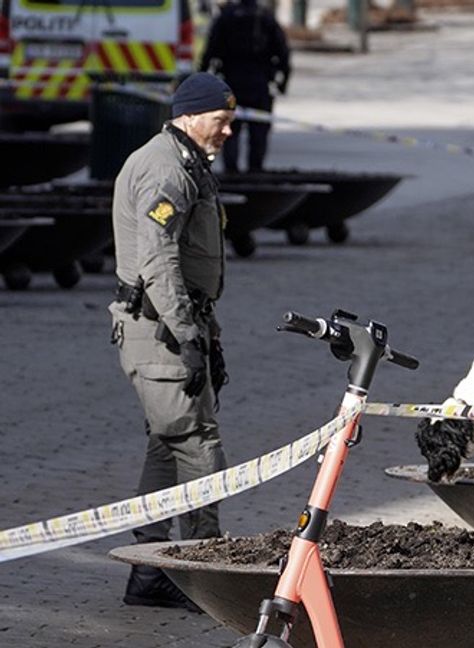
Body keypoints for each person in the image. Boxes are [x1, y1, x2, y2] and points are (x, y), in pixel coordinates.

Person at [109, 72, 236, 611]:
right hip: (158, 329)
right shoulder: (165, 168)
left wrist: (206, 335)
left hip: (171, 325)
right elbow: (159, 262)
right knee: (197, 442)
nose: (229, 130)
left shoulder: (184, 160)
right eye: (221, 120)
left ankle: (152, 571)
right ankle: (202, 569)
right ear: (188, 115)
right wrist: (187, 337)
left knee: (167, 445)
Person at [200, 0, 290, 174]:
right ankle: (255, 170)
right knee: (259, 131)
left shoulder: (226, 17)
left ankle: (231, 171)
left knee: (229, 129)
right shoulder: (265, 17)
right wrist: (283, 82)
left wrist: (203, 76)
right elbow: (283, 52)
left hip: (232, 82)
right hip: (259, 83)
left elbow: (210, 50)